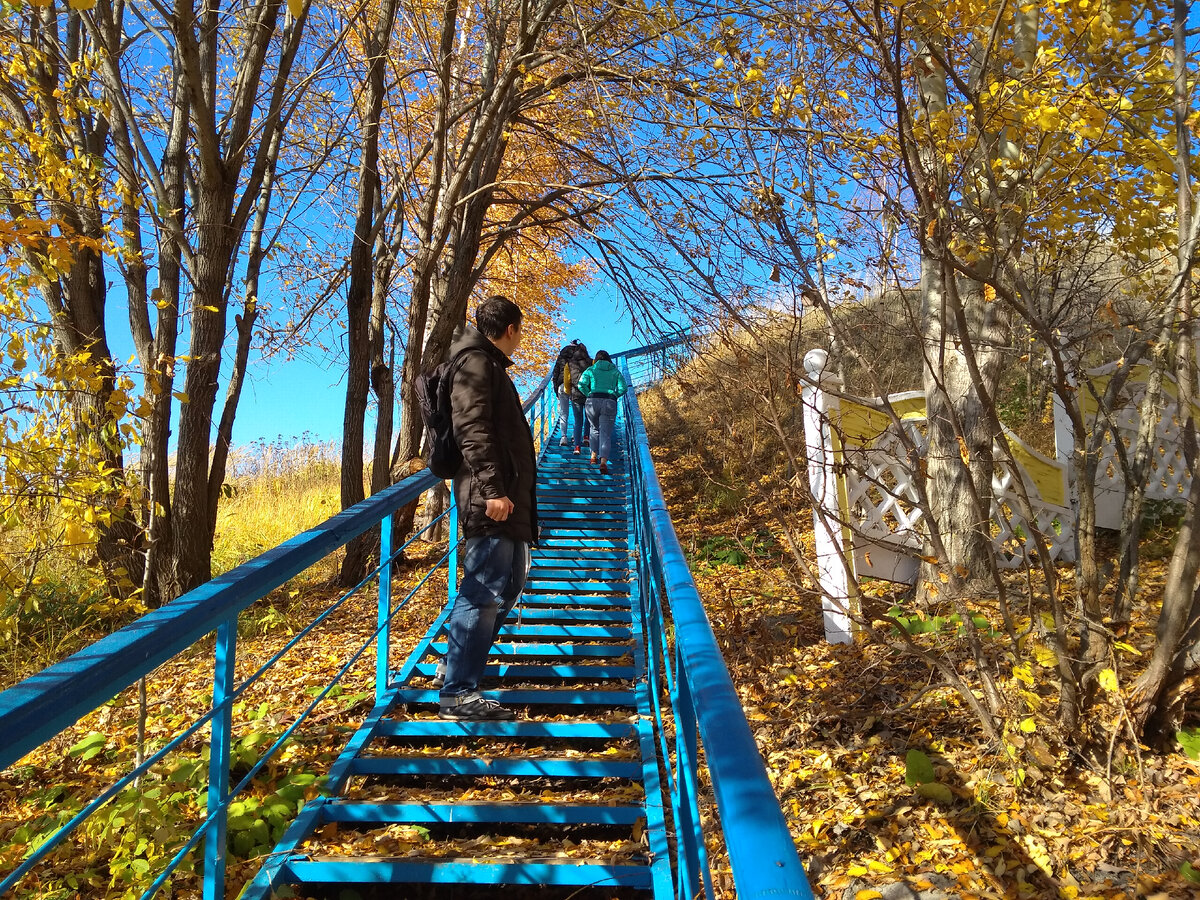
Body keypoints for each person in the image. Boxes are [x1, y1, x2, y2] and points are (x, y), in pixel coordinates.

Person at [438, 295, 538, 721]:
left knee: (509, 585)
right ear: (511, 329)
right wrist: (494, 489)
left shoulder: (488, 365)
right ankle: (458, 692)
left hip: (507, 500)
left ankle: (458, 665)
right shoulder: (476, 363)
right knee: (483, 591)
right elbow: (472, 428)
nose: (521, 337)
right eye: (521, 330)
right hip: (490, 499)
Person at [577, 350, 627, 476]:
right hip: (609, 402)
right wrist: (614, 395)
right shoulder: (615, 371)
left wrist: (588, 393)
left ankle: (593, 456)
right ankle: (603, 461)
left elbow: (581, 384)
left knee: (594, 430)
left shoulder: (591, 370)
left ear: (596, 359)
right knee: (605, 433)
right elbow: (623, 388)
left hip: (592, 401)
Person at [550, 339, 592, 452]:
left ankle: (563, 437)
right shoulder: (583, 359)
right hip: (576, 387)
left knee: (564, 412)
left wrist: (555, 388)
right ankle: (575, 436)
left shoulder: (562, 356)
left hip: (562, 385)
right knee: (579, 415)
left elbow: (555, 373)